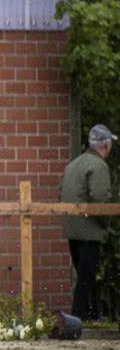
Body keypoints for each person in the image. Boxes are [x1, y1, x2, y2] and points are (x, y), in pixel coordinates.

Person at [59, 123, 115, 322]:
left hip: (72, 228)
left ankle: (91, 314)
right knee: (86, 276)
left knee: (85, 273)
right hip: (89, 230)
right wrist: (105, 223)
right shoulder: (98, 165)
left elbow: (61, 193)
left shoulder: (75, 164)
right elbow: (100, 200)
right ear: (106, 145)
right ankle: (78, 317)